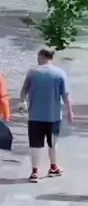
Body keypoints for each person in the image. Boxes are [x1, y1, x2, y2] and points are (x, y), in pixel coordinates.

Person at [20, 47, 73, 182]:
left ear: (42, 56)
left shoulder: (32, 73)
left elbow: (23, 92)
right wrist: (69, 112)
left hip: (35, 116)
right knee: (53, 143)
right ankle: (53, 167)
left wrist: (22, 103)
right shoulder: (59, 73)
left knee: (35, 145)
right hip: (53, 116)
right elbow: (65, 95)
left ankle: (34, 172)